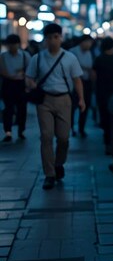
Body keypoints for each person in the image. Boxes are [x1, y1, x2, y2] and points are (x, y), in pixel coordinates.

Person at [27, 24, 85, 190]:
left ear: (61, 38)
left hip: (64, 100)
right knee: (46, 136)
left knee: (63, 138)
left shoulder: (70, 58)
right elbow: (29, 77)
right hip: (44, 100)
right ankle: (49, 174)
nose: (53, 41)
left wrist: (81, 99)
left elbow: (77, 80)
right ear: (45, 40)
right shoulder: (37, 58)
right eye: (50, 37)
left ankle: (59, 163)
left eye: (56, 37)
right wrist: (32, 84)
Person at [93, 37, 113, 157]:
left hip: (103, 93)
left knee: (105, 119)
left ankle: (108, 145)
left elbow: (94, 76)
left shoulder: (99, 59)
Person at [0, 35, 28, 141]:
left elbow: (29, 70)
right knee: (8, 109)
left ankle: (21, 130)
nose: (12, 47)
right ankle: (8, 132)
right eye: (10, 44)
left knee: (22, 108)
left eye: (14, 44)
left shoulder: (24, 55)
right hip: (8, 84)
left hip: (21, 84)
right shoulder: (3, 56)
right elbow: (2, 70)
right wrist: (14, 74)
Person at [69, 35, 95, 137]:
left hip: (87, 82)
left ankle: (81, 128)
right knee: (73, 106)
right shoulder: (73, 52)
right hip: (75, 83)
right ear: (82, 42)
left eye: (91, 43)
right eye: (88, 42)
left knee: (85, 106)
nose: (89, 45)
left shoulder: (90, 53)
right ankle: (71, 128)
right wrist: (87, 68)